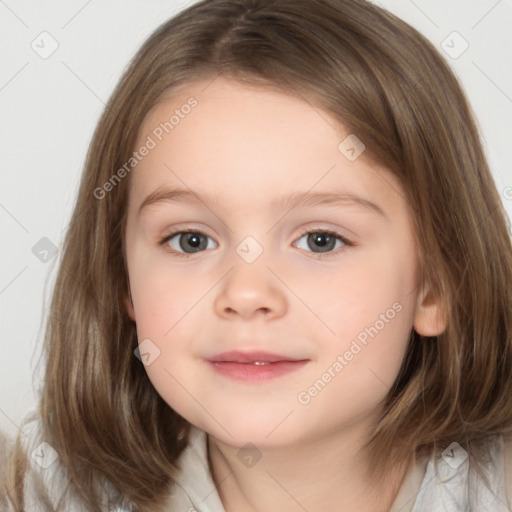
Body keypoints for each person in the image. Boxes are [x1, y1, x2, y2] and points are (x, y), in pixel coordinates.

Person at [2, 0, 512, 510]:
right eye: (191, 240)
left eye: (321, 240)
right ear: (123, 279)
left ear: (438, 284)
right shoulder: (36, 492)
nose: (246, 295)